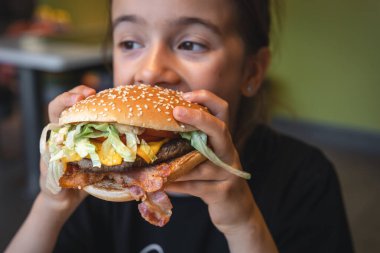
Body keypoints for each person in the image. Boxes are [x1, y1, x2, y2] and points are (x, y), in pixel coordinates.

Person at [6, 0, 354, 252]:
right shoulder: (101, 183)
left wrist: (243, 223)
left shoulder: (305, 177)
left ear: (252, 71)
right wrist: (51, 206)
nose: (151, 71)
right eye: (130, 43)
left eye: (190, 44)